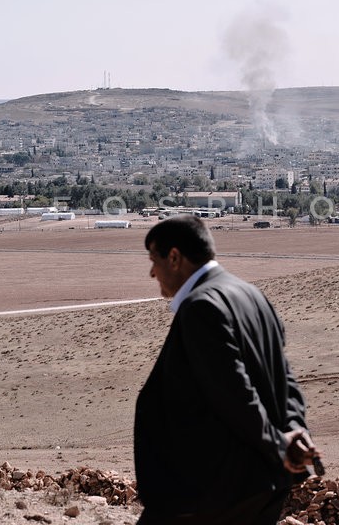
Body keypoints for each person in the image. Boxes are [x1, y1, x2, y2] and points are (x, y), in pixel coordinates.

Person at [135, 215, 318, 525]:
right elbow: (285, 378)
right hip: (264, 485)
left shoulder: (201, 306)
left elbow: (233, 393)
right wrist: (294, 430)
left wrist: (279, 444)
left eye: (154, 260)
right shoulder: (252, 295)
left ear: (175, 258)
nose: (152, 272)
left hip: (215, 488)